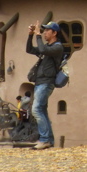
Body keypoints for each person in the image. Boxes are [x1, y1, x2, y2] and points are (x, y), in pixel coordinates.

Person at [26, 21, 64, 150]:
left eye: (47, 30)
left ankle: (44, 139)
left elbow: (43, 49)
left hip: (46, 82)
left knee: (36, 110)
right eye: (44, 30)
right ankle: (49, 140)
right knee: (42, 111)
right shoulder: (47, 48)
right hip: (40, 82)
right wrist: (31, 35)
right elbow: (29, 49)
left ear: (54, 33)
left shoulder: (57, 47)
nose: (44, 33)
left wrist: (37, 35)